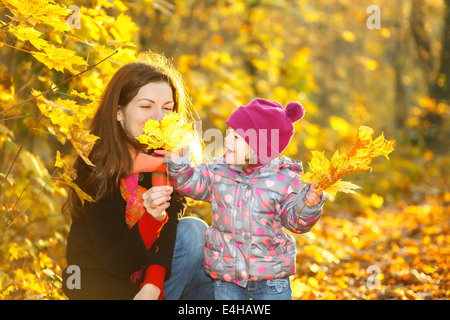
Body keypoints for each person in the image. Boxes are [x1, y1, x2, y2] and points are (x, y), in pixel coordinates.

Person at [61, 52, 213, 300]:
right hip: (100, 287)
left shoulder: (169, 162)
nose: (159, 118)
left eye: (167, 108)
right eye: (145, 106)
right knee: (194, 234)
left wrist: (153, 284)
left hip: (147, 287)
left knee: (203, 255)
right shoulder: (96, 165)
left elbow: (168, 231)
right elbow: (115, 263)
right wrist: (152, 218)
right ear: (119, 113)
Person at [165, 98, 325, 300]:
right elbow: (187, 182)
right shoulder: (219, 173)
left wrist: (308, 206)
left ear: (260, 147)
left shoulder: (284, 181)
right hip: (227, 277)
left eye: (237, 137)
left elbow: (295, 222)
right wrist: (179, 160)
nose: (227, 140)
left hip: (271, 278)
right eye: (228, 133)